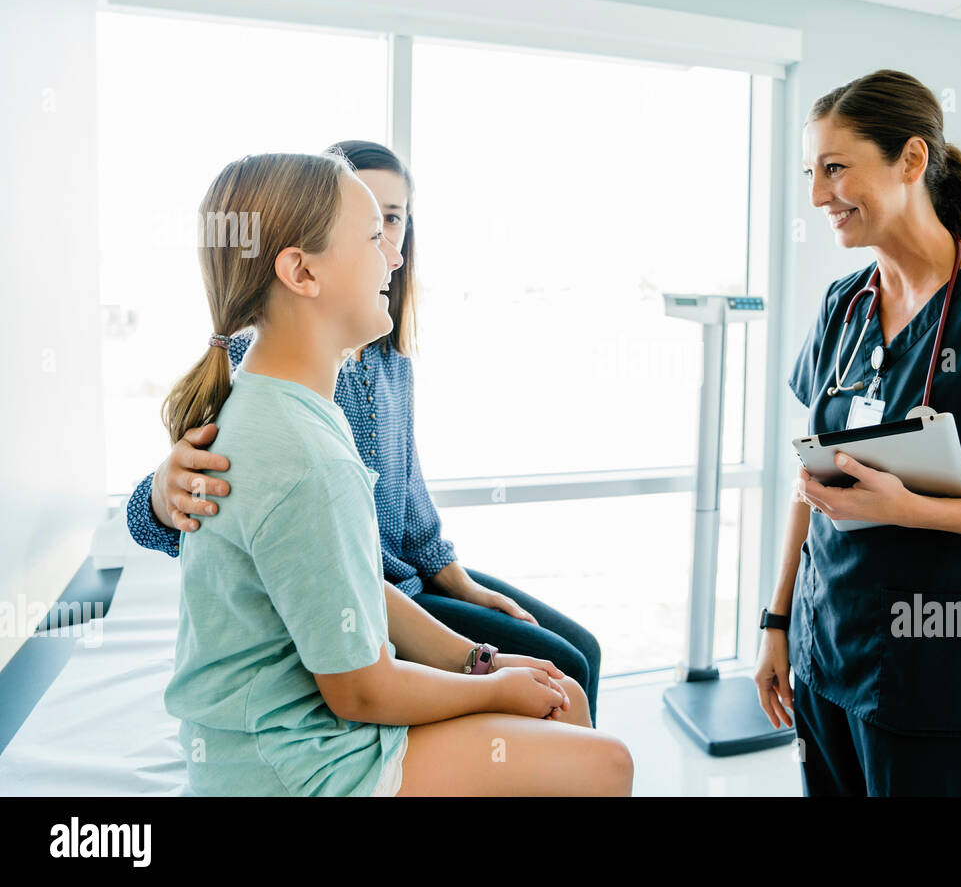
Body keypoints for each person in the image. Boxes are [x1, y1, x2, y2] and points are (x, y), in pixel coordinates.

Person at [162, 152, 632, 795]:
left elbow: (346, 578)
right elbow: (360, 689)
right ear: (301, 271)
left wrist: (476, 659)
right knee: (607, 762)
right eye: (371, 236)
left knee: (565, 693)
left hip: (273, 739)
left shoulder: (276, 404)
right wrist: (492, 687)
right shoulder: (307, 455)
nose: (396, 256)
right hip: (288, 765)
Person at [752, 70, 961, 796]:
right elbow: (810, 483)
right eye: (811, 172)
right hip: (828, 649)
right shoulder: (844, 306)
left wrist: (915, 510)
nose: (818, 195)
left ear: (911, 160)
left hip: (944, 662)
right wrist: (777, 619)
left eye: (836, 168)